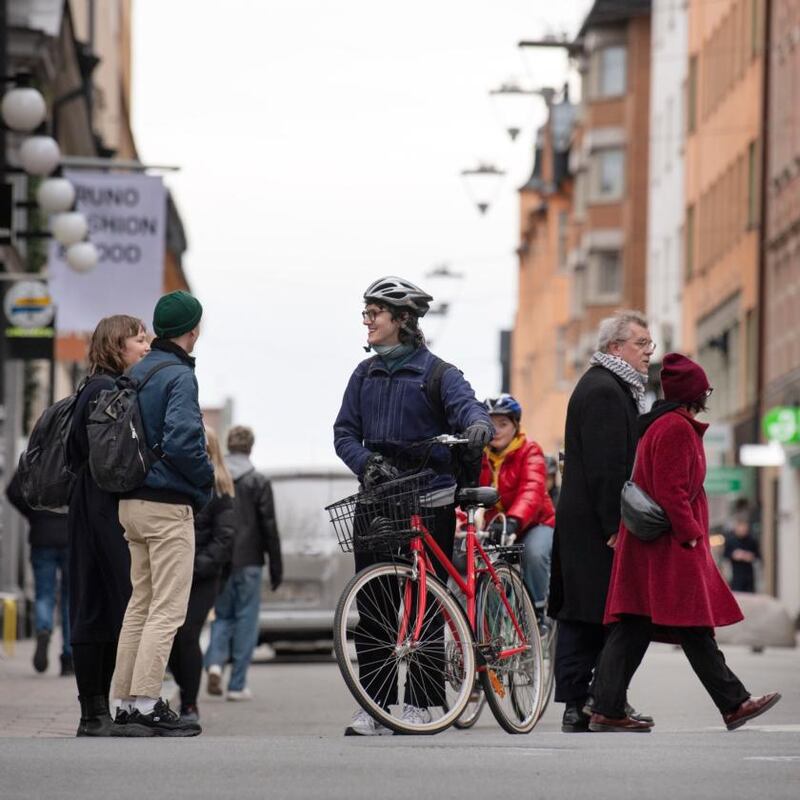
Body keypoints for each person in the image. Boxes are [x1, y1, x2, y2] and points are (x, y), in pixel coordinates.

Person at [334, 275, 493, 736]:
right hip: (378, 500)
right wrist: (367, 464)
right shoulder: (364, 375)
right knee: (376, 605)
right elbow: (344, 432)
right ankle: (375, 704)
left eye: (374, 314)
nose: (367, 321)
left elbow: (469, 409)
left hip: (429, 498)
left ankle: (423, 703)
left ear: (401, 320)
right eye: (365, 313)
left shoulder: (439, 374)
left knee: (425, 602)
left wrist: (479, 425)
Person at [589, 353, 781, 732]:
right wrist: (692, 535)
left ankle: (607, 707)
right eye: (705, 388)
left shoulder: (660, 426)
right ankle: (734, 703)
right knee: (690, 626)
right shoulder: (675, 428)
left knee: (635, 626)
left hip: (651, 549)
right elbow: (672, 491)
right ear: (695, 392)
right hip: (669, 549)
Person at [110, 291, 214, 738]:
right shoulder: (178, 376)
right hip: (167, 505)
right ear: (194, 330)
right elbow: (184, 441)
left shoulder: (136, 373)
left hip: (130, 502)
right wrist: (205, 481)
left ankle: (123, 703)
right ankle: (149, 702)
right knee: (169, 610)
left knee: (140, 605)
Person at [548, 310, 653, 733]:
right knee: (598, 615)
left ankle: (588, 705)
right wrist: (614, 525)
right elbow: (607, 467)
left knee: (586, 614)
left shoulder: (606, 386)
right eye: (641, 344)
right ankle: (594, 703)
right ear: (615, 348)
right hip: (596, 525)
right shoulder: (606, 391)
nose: (649, 352)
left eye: (650, 344)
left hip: (584, 522)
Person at [67, 315, 149, 736]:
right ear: (117, 345)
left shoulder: (91, 387)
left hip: (90, 502)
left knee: (98, 602)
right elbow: (110, 459)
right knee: (105, 604)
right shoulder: (105, 390)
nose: (146, 346)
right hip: (101, 503)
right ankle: (94, 713)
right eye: (138, 339)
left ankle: (97, 712)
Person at [204, 425, 282, 701]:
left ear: (229, 445)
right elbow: (269, 526)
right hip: (250, 561)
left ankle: (214, 664)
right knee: (246, 620)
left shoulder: (216, 478)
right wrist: (275, 566)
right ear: (250, 447)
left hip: (221, 560)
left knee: (222, 617)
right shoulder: (258, 481)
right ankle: (237, 685)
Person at [169, 427, 235, 722]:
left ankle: (189, 704)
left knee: (187, 635)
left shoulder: (220, 489)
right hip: (173, 572)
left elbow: (224, 538)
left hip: (202, 577)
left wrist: (195, 567)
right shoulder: (177, 484)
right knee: (169, 636)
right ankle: (179, 695)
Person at [480, 394, 555, 614]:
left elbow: (531, 490)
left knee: (534, 553)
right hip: (496, 529)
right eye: (491, 424)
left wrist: (513, 520)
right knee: (484, 566)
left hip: (535, 524)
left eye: (503, 424)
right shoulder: (479, 456)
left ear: (515, 426)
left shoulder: (530, 450)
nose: (496, 430)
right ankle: (493, 630)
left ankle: (538, 611)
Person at [6, 471, 72, 676]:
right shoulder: (71, 451)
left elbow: (12, 491)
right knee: (70, 599)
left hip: (41, 534)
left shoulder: (36, 453)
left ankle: (44, 628)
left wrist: (33, 512)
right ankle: (68, 657)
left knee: (44, 592)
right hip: (70, 533)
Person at [723, 501, 760, 593]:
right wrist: (734, 555)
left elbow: (758, 556)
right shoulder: (731, 540)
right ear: (736, 527)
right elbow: (725, 556)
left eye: (745, 526)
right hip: (735, 577)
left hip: (749, 578)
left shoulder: (752, 540)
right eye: (741, 526)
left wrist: (749, 556)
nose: (743, 529)